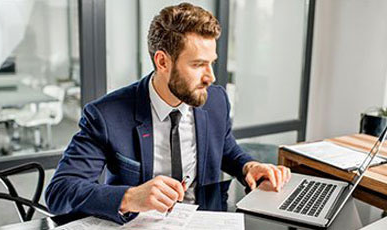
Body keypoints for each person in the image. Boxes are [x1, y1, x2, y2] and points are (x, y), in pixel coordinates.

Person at [45, 3, 291, 224]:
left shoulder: (215, 100)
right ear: (162, 62)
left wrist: (248, 166)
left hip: (207, 220)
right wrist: (130, 197)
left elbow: (226, 148)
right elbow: (60, 192)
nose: (211, 77)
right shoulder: (107, 115)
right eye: (197, 65)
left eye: (211, 63)